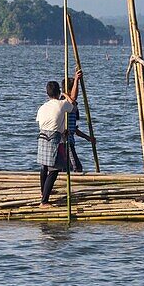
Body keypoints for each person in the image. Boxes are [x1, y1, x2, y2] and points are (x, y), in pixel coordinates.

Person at [36, 68, 81, 205]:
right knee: (54, 170)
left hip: (42, 136)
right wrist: (66, 95)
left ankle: (43, 191)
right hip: (53, 138)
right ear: (58, 92)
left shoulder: (43, 107)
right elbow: (73, 104)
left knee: (44, 166)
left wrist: (62, 131)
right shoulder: (61, 104)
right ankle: (44, 201)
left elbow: (43, 122)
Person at [63, 76, 95, 172]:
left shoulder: (74, 106)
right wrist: (76, 80)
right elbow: (72, 99)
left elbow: (74, 129)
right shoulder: (63, 101)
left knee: (68, 167)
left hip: (70, 140)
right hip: (65, 141)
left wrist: (88, 138)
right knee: (77, 167)